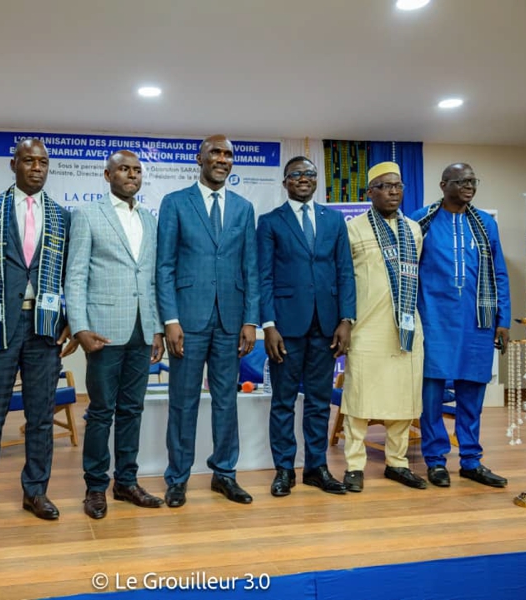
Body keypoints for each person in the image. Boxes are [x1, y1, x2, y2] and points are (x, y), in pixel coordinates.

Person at [0, 138, 77, 528]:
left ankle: (36, 491)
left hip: (44, 328)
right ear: (14, 164)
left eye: (43, 162)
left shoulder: (62, 216)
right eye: (29, 161)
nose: (37, 168)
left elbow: (71, 276)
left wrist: (73, 317)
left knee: (41, 416)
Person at [156, 134, 259, 507]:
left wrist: (251, 320)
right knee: (182, 402)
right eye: (215, 152)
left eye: (229, 154)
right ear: (199, 158)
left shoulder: (244, 208)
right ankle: (178, 478)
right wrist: (169, 319)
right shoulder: (175, 203)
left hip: (231, 321)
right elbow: (164, 266)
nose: (222, 159)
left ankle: (224, 474)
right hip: (187, 319)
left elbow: (250, 267)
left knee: (225, 401)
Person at [65, 150, 165, 519]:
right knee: (102, 411)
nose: (132, 175)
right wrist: (81, 328)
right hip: (103, 333)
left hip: (141, 331)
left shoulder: (150, 221)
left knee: (132, 410)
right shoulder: (88, 215)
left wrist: (155, 329)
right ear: (107, 175)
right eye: (124, 169)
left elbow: (151, 278)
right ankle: (94, 487)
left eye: (137, 171)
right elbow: (75, 276)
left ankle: (126, 481)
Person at [256, 156, 355, 497]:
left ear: (317, 180)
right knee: (283, 401)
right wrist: (268, 324)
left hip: (327, 326)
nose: (303, 178)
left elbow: (345, 272)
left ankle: (316, 467)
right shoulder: (270, 222)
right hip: (286, 326)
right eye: (295, 174)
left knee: (318, 401)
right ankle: (284, 469)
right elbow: (263, 277)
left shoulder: (334, 221)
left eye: (309, 174)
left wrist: (346, 319)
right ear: (285, 182)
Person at [411, 163, 511, 488]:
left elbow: (499, 273)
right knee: (432, 396)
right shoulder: (421, 220)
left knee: (472, 392)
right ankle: (436, 460)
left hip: (477, 321)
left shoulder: (486, 224)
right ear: (443, 185)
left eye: (472, 181)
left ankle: (471, 460)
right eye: (461, 181)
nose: (469, 186)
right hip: (433, 320)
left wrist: (503, 319)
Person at [342, 161, 427, 492]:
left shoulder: (414, 229)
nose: (394, 191)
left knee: (404, 399)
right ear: (370, 192)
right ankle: (354, 465)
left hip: (405, 328)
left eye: (399, 186)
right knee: (359, 399)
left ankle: (398, 463)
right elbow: (345, 279)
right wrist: (346, 321)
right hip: (366, 325)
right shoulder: (354, 229)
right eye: (386, 186)